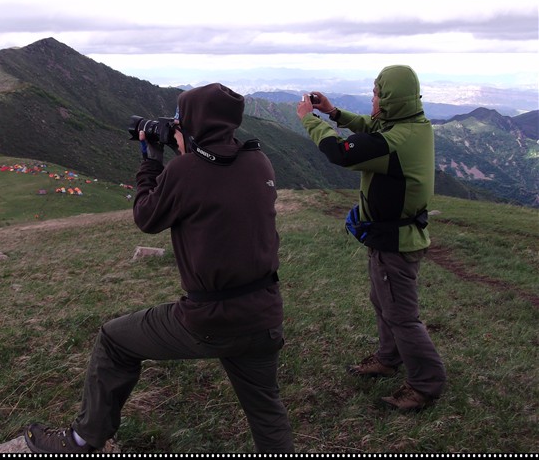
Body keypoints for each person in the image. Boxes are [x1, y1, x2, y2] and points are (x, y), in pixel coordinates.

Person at [24, 83, 295, 453]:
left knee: (114, 340)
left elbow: (146, 217)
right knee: (266, 410)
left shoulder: (185, 171)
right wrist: (189, 146)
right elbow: (218, 178)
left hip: (210, 320)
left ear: (194, 124)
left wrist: (151, 162)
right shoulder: (257, 161)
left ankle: (80, 440)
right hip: (264, 314)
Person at [296, 65, 446, 411]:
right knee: (384, 302)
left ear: (391, 98)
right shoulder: (411, 125)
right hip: (390, 236)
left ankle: (426, 384)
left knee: (401, 315)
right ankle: (387, 357)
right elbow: (373, 127)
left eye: (377, 93)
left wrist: (310, 118)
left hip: (395, 241)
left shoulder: (396, 142)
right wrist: (333, 112)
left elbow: (342, 152)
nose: (372, 98)